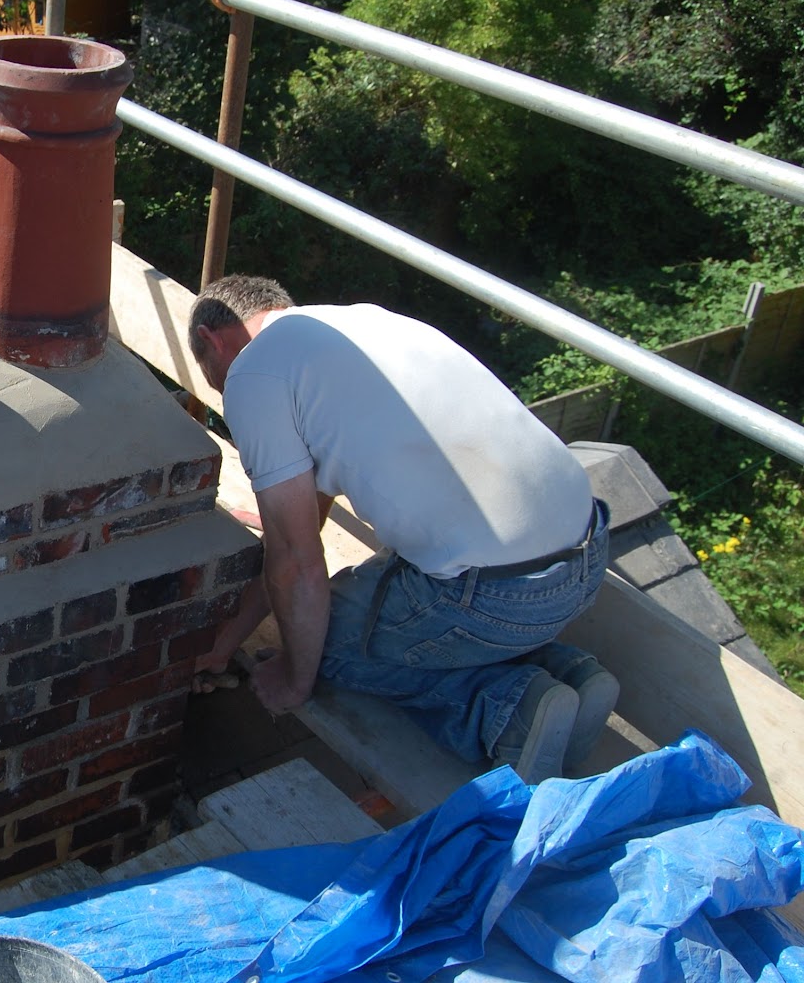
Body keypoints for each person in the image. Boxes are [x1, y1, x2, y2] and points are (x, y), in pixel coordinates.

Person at [189, 275, 617, 783]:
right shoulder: (363, 320)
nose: (220, 387)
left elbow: (296, 561)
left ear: (213, 339)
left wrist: (291, 678)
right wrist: (226, 640)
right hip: (586, 561)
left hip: (489, 596)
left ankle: (507, 711)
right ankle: (570, 673)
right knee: (356, 603)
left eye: (211, 374)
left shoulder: (253, 374)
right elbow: (303, 518)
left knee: (321, 643)